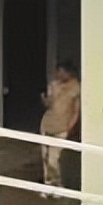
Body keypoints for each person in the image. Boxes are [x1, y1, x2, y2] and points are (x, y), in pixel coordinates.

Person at [39, 61, 81, 192]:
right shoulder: (54, 84)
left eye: (61, 71)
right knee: (45, 156)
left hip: (62, 126)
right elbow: (49, 104)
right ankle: (48, 184)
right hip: (48, 123)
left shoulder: (76, 87)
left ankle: (57, 185)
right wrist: (46, 97)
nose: (59, 74)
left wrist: (70, 127)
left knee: (54, 158)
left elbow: (76, 110)